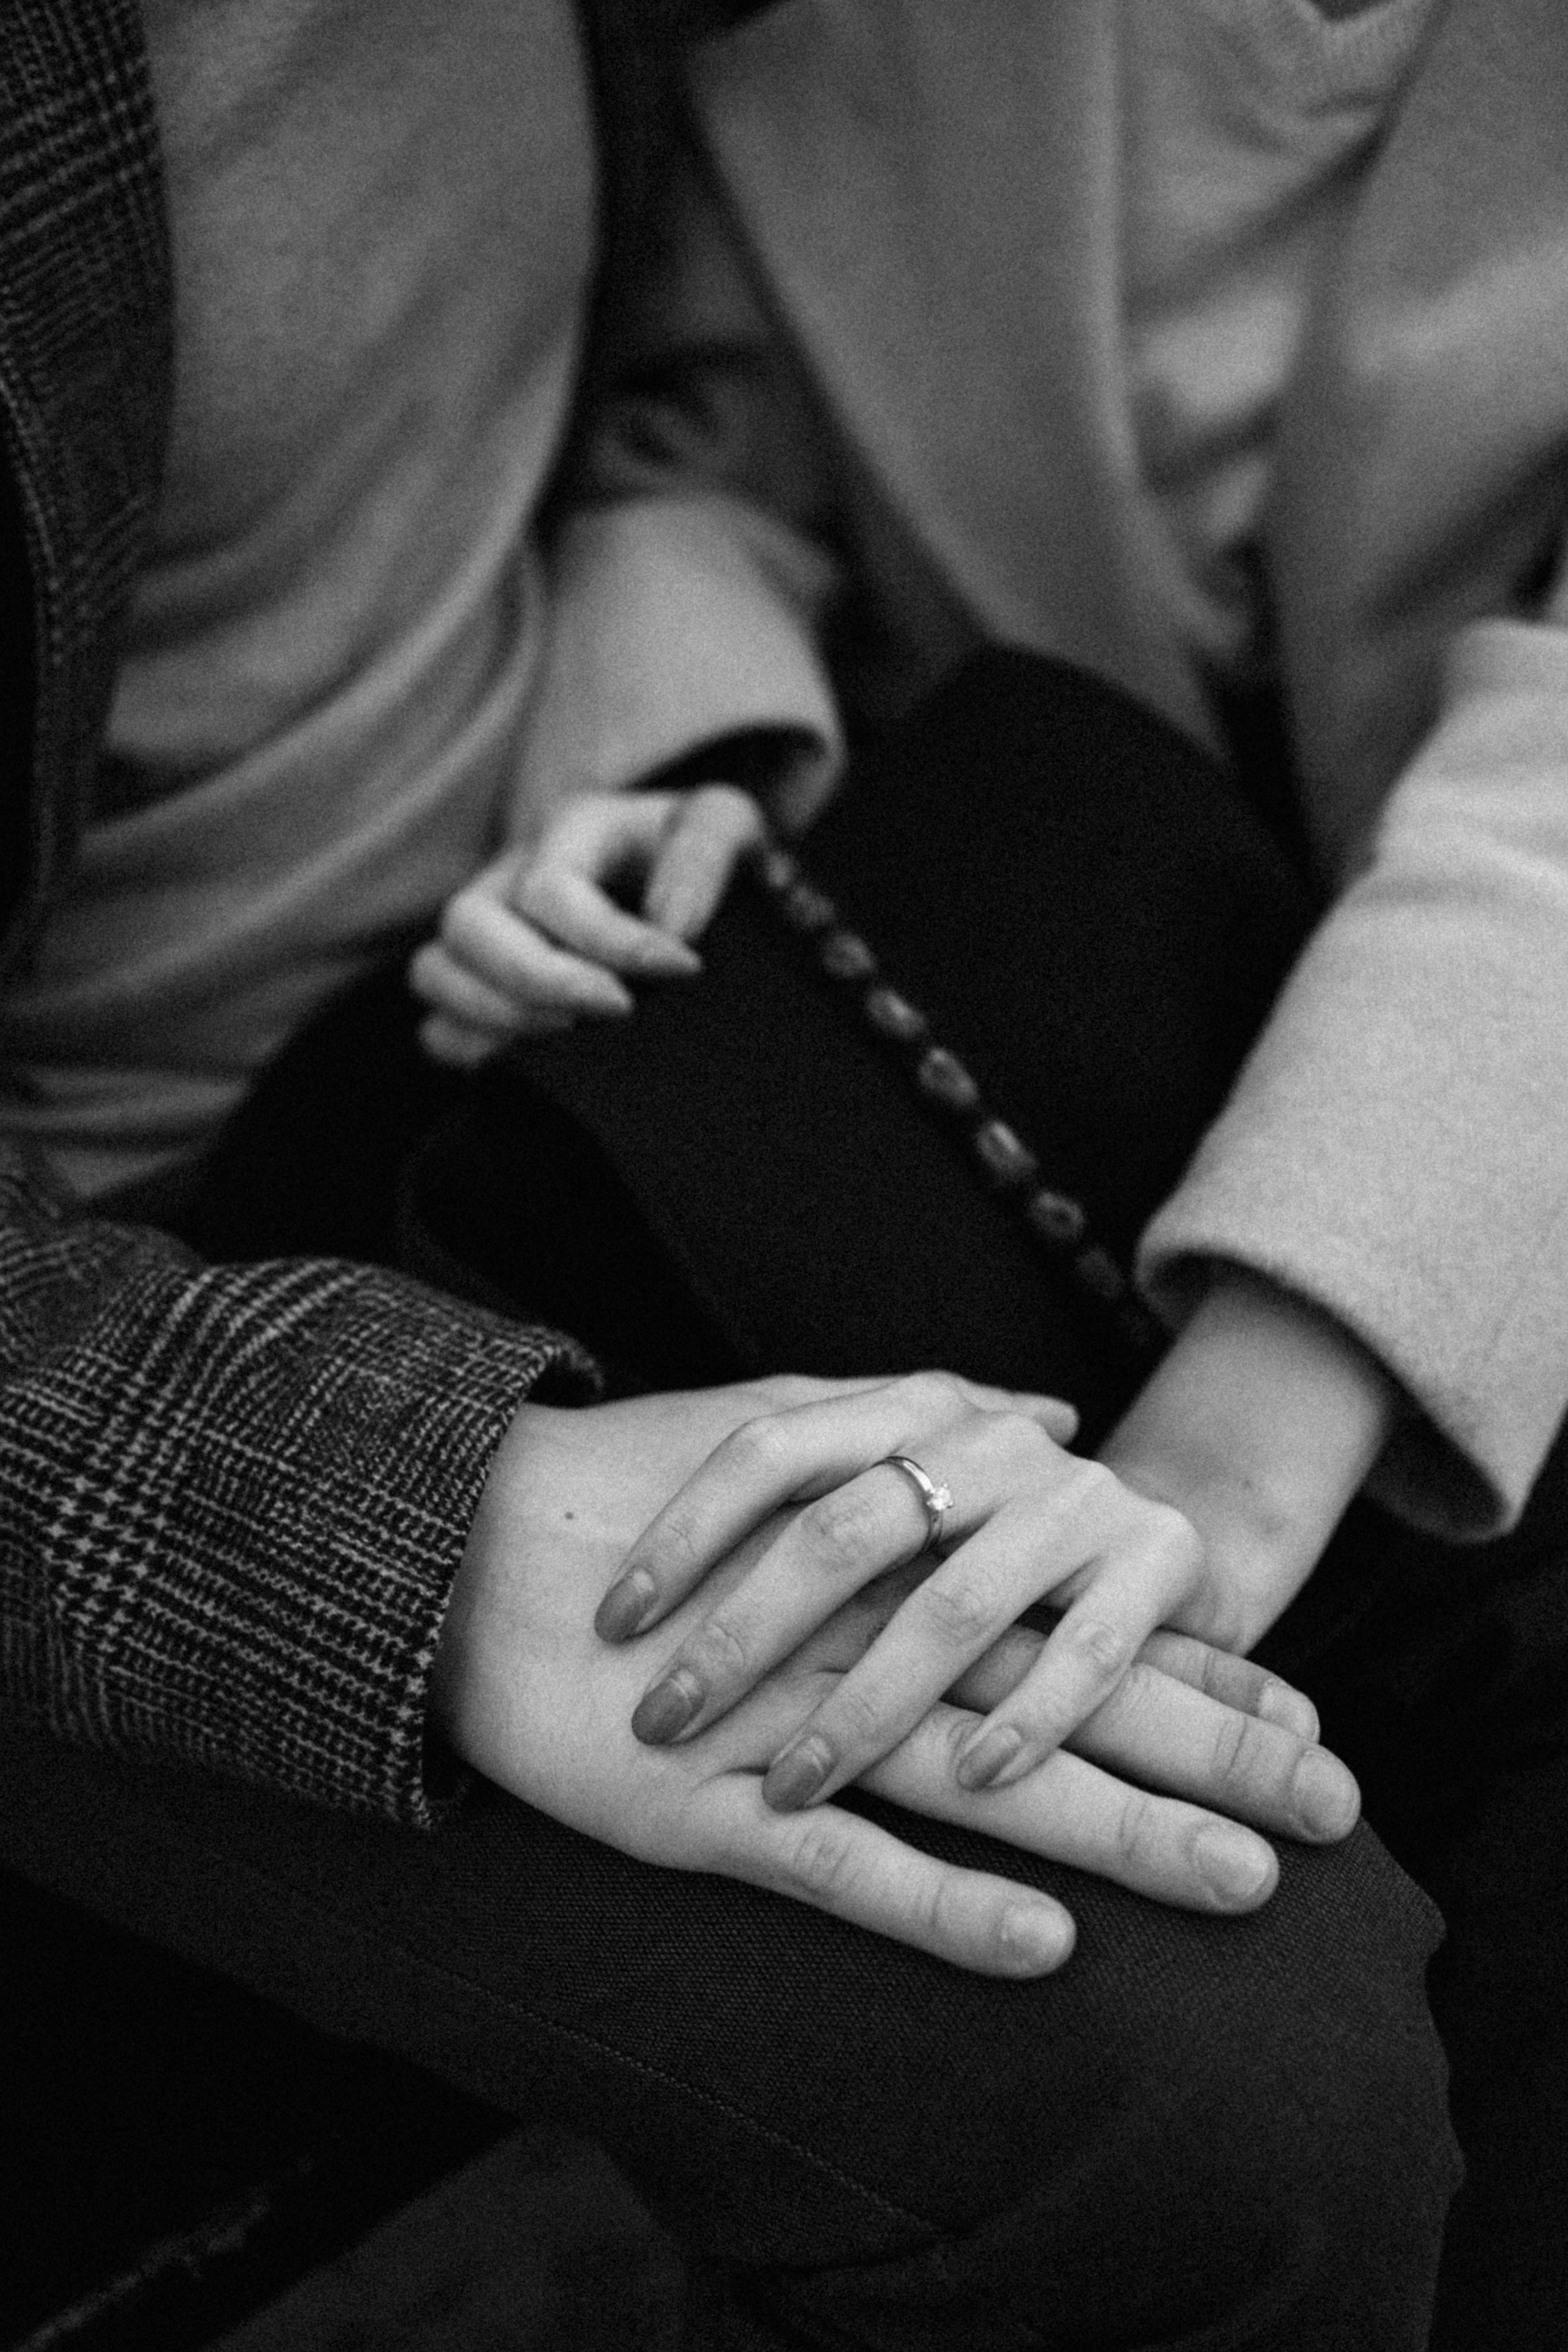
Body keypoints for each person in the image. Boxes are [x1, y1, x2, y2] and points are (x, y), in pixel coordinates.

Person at [0, 3, 1464, 2347]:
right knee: (1202, 2064)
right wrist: (409, 1523)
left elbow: (673, 405)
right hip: (96, 1286)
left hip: (518, 1006)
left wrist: (655, 754)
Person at [404, 2, 1568, 2343]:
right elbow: (706, 444)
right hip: (1034, 991)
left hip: (1476, 1114)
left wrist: (1234, 1456)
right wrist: (685, 764)